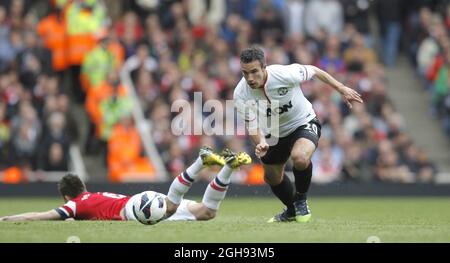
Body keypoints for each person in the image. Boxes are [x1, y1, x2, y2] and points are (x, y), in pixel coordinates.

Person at [234, 46, 363, 223]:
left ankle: (301, 200)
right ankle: (292, 210)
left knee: (300, 158)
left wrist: (341, 88)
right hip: (275, 134)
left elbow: (315, 71)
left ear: (265, 67)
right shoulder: (240, 93)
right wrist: (261, 143)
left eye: (254, 71)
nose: (249, 78)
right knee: (271, 177)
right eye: (245, 73)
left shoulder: (285, 74)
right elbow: (252, 125)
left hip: (303, 122)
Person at [0, 147, 252, 222]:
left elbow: (40, 215)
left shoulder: (74, 205)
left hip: (133, 211)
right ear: (83, 187)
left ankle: (201, 161)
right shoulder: (92, 195)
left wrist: (7, 219)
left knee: (172, 207)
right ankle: (227, 167)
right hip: (139, 199)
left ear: (67, 196)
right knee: (207, 213)